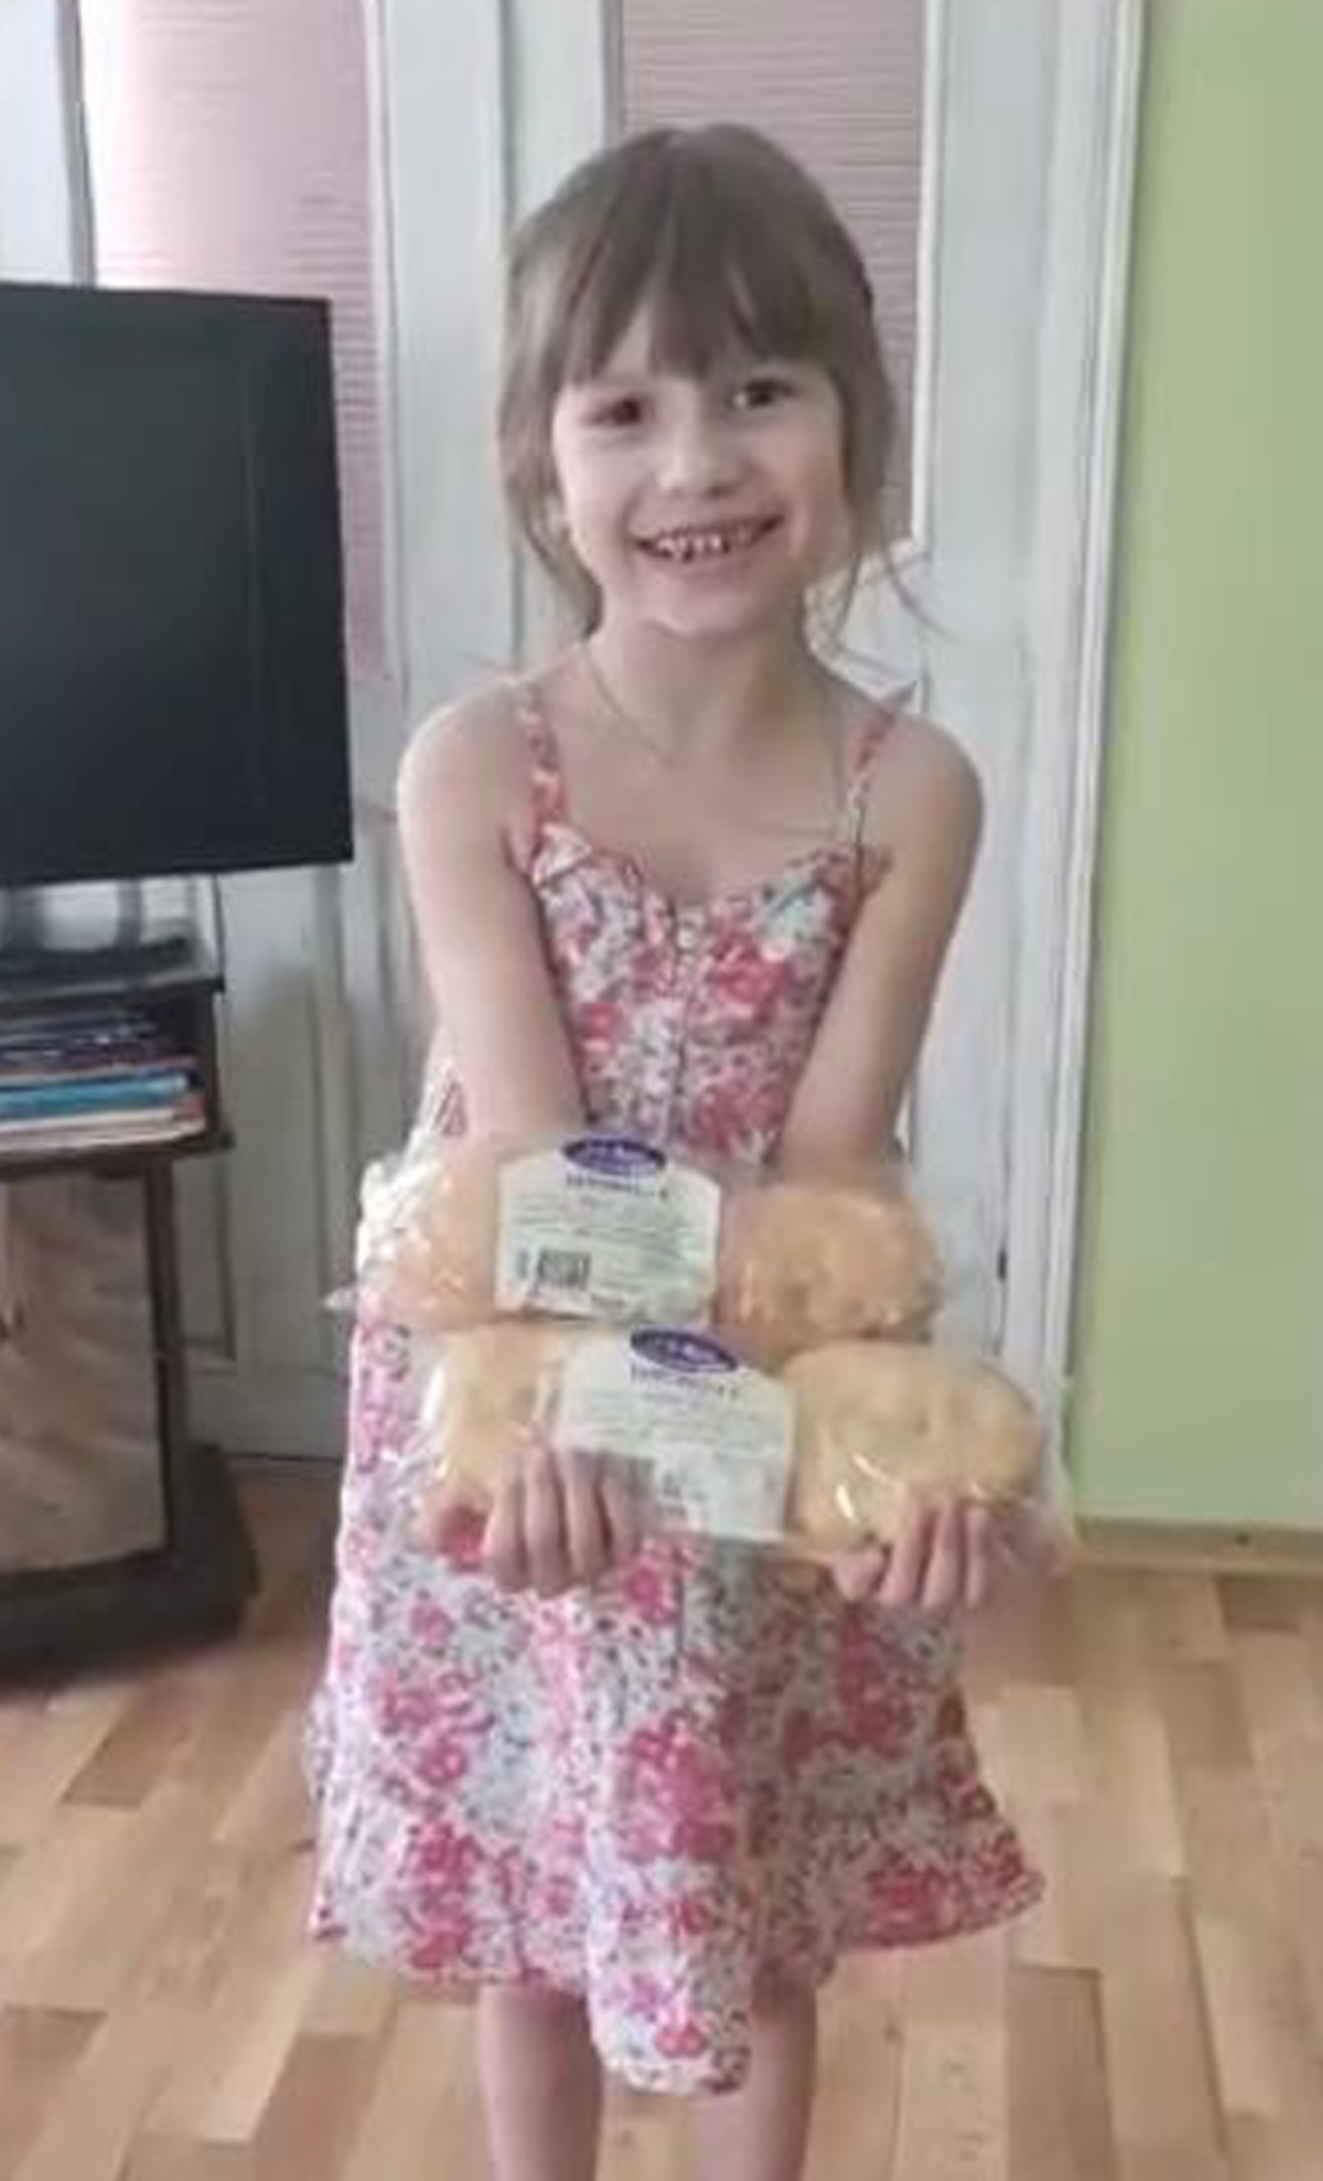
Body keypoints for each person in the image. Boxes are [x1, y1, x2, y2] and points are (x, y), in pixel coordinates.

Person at [305, 122, 1041, 2181]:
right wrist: (558, 1442)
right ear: (547, 470)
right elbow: (531, 1149)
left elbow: (840, 1169)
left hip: (758, 1417)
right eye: (625, 408)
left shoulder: (917, 789)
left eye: (757, 390)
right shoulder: (477, 766)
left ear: (852, 432)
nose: (696, 463)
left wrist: (893, 1463)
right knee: (538, 1919)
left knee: (752, 1896)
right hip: (518, 1392)